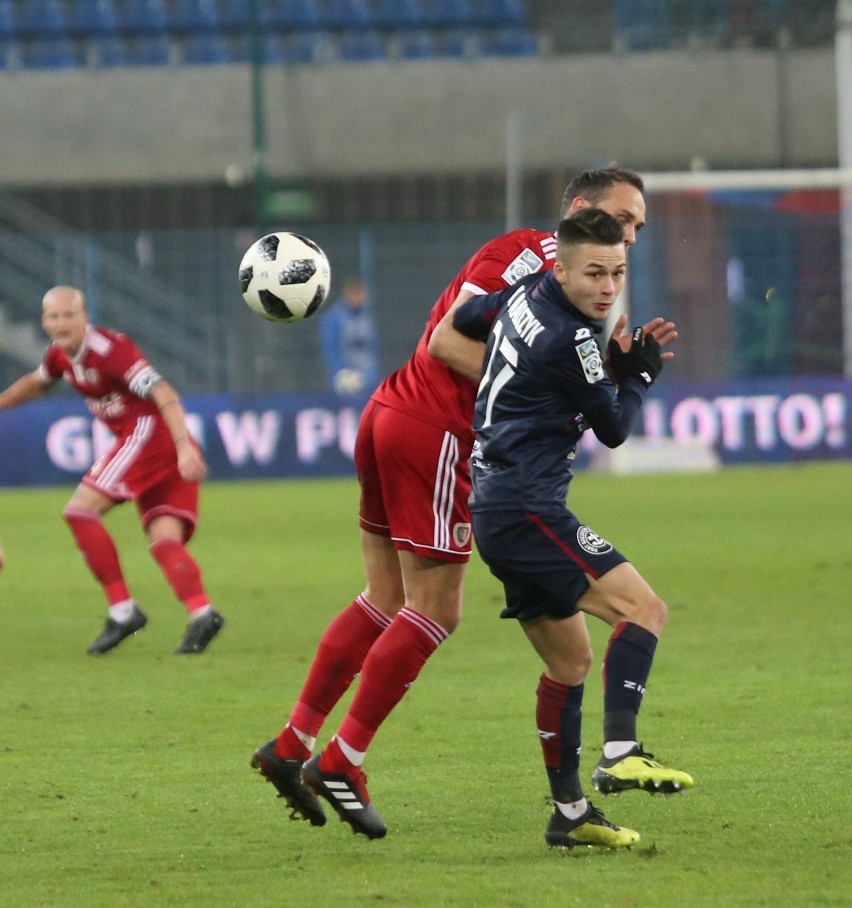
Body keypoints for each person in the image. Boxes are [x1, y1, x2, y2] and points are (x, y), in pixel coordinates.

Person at [250, 167, 661, 839]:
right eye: (623, 219)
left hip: (397, 414)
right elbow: (447, 339)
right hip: (434, 427)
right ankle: (343, 760)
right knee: (435, 610)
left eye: (638, 227)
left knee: (382, 598)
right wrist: (549, 389)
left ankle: (293, 744)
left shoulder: (574, 281)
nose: (631, 236)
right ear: (582, 211)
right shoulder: (525, 255)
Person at [451, 208, 693, 850]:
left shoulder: (525, 292)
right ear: (562, 268)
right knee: (644, 610)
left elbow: (466, 320)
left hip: (497, 506)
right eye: (593, 273)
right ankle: (620, 751)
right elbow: (613, 428)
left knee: (569, 663)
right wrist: (638, 375)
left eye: (616, 272)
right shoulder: (572, 337)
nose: (607, 287)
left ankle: (571, 813)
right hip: (528, 509)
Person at [0, 286, 224, 655]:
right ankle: (202, 613)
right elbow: (35, 384)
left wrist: (185, 446)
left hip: (152, 438)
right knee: (163, 538)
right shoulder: (59, 357)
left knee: (79, 511)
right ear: (44, 322)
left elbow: (164, 392)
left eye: (68, 315)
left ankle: (123, 611)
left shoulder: (110, 351)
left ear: (84, 316)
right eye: (54, 317)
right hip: (161, 448)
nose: (61, 323)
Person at [318, 276, 380, 397]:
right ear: (348, 294)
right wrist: (342, 371)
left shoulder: (367, 318)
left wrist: (368, 376)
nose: (360, 298)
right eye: (356, 294)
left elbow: (373, 348)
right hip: (343, 378)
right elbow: (330, 348)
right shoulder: (334, 318)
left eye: (362, 294)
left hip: (367, 378)